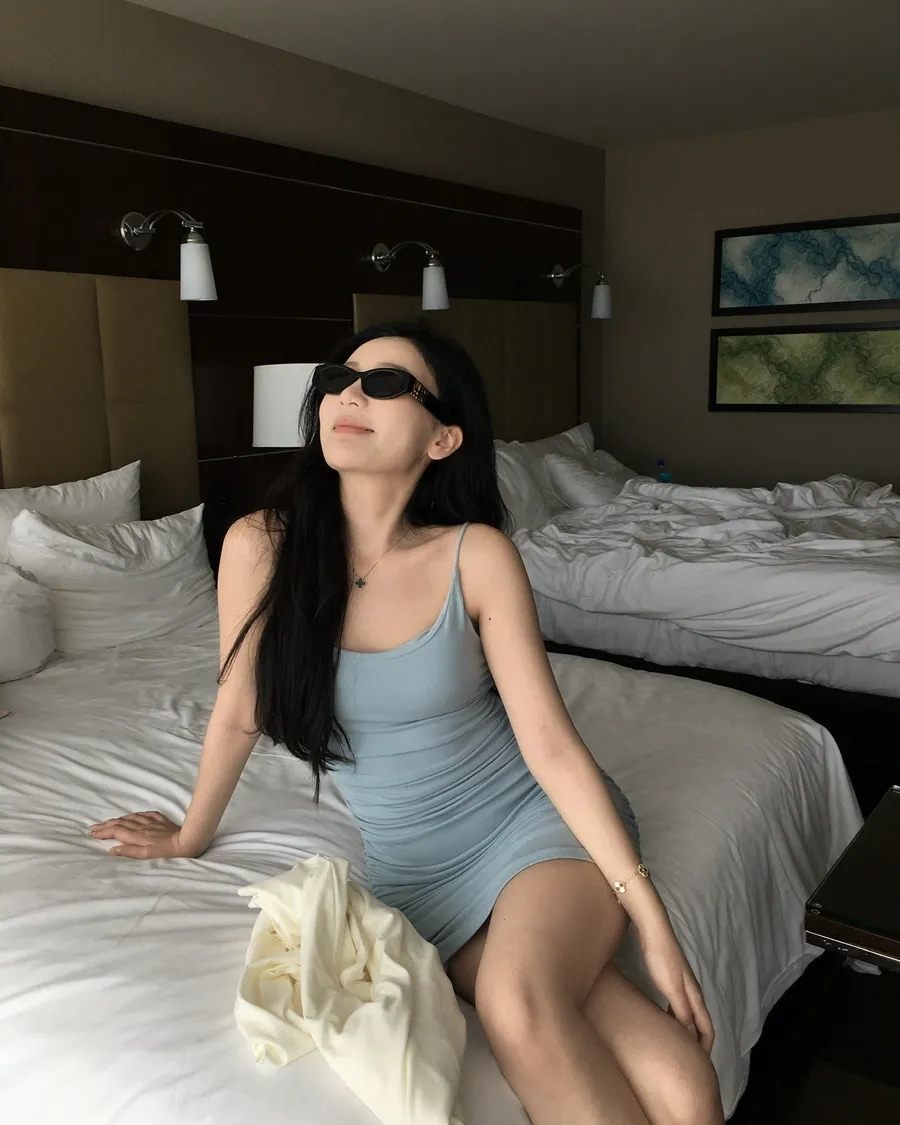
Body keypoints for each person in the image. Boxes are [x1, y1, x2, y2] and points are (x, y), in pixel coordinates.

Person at [90, 320, 724, 1125]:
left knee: (517, 1002)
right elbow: (239, 712)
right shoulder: (259, 545)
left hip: (532, 820)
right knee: (677, 1086)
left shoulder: (476, 554)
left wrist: (652, 921)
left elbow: (551, 746)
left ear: (442, 437)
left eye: (386, 383)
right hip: (414, 871)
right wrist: (189, 835)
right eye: (338, 378)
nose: (348, 394)